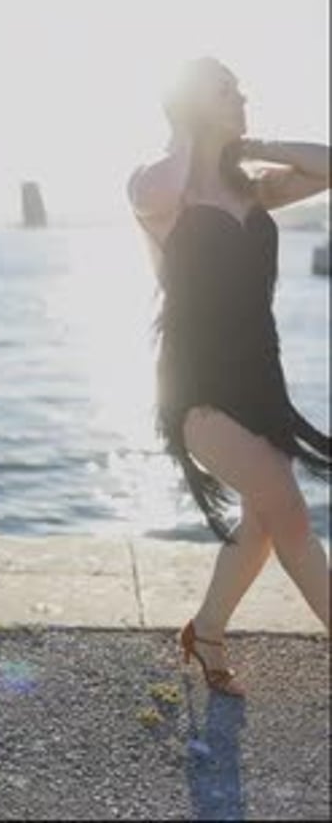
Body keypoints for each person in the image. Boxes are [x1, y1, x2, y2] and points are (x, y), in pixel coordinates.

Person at [126, 55, 331, 697]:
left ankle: (208, 631)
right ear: (191, 103)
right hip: (197, 385)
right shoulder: (159, 187)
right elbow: (160, 188)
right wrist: (192, 132)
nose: (242, 95)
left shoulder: (249, 186)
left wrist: (252, 144)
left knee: (266, 519)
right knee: (289, 511)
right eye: (227, 89)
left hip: (260, 374)